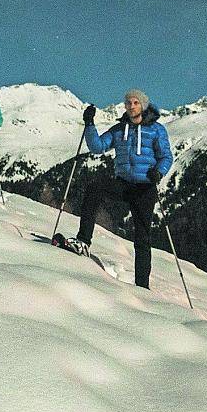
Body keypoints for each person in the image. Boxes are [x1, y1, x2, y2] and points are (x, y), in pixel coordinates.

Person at [64, 89, 173, 290]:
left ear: (143, 106)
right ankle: (83, 241)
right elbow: (97, 147)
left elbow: (166, 156)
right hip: (123, 183)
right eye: (128, 103)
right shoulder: (119, 129)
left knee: (142, 237)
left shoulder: (156, 130)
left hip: (145, 187)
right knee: (95, 188)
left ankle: (142, 286)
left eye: (135, 103)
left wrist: (159, 171)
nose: (131, 106)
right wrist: (89, 124)